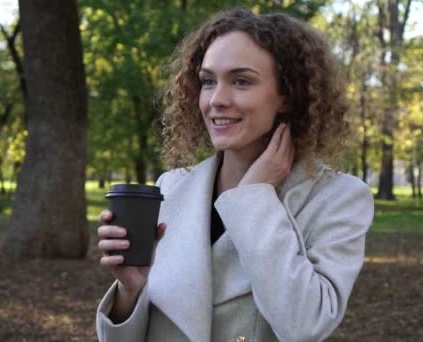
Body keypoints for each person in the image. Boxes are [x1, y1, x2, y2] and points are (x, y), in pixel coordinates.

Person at [96, 8, 374, 342]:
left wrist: (254, 197)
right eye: (208, 81)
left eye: (241, 81)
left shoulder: (337, 198)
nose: (217, 100)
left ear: (287, 95)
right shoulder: (171, 187)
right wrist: (131, 290)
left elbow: (305, 325)